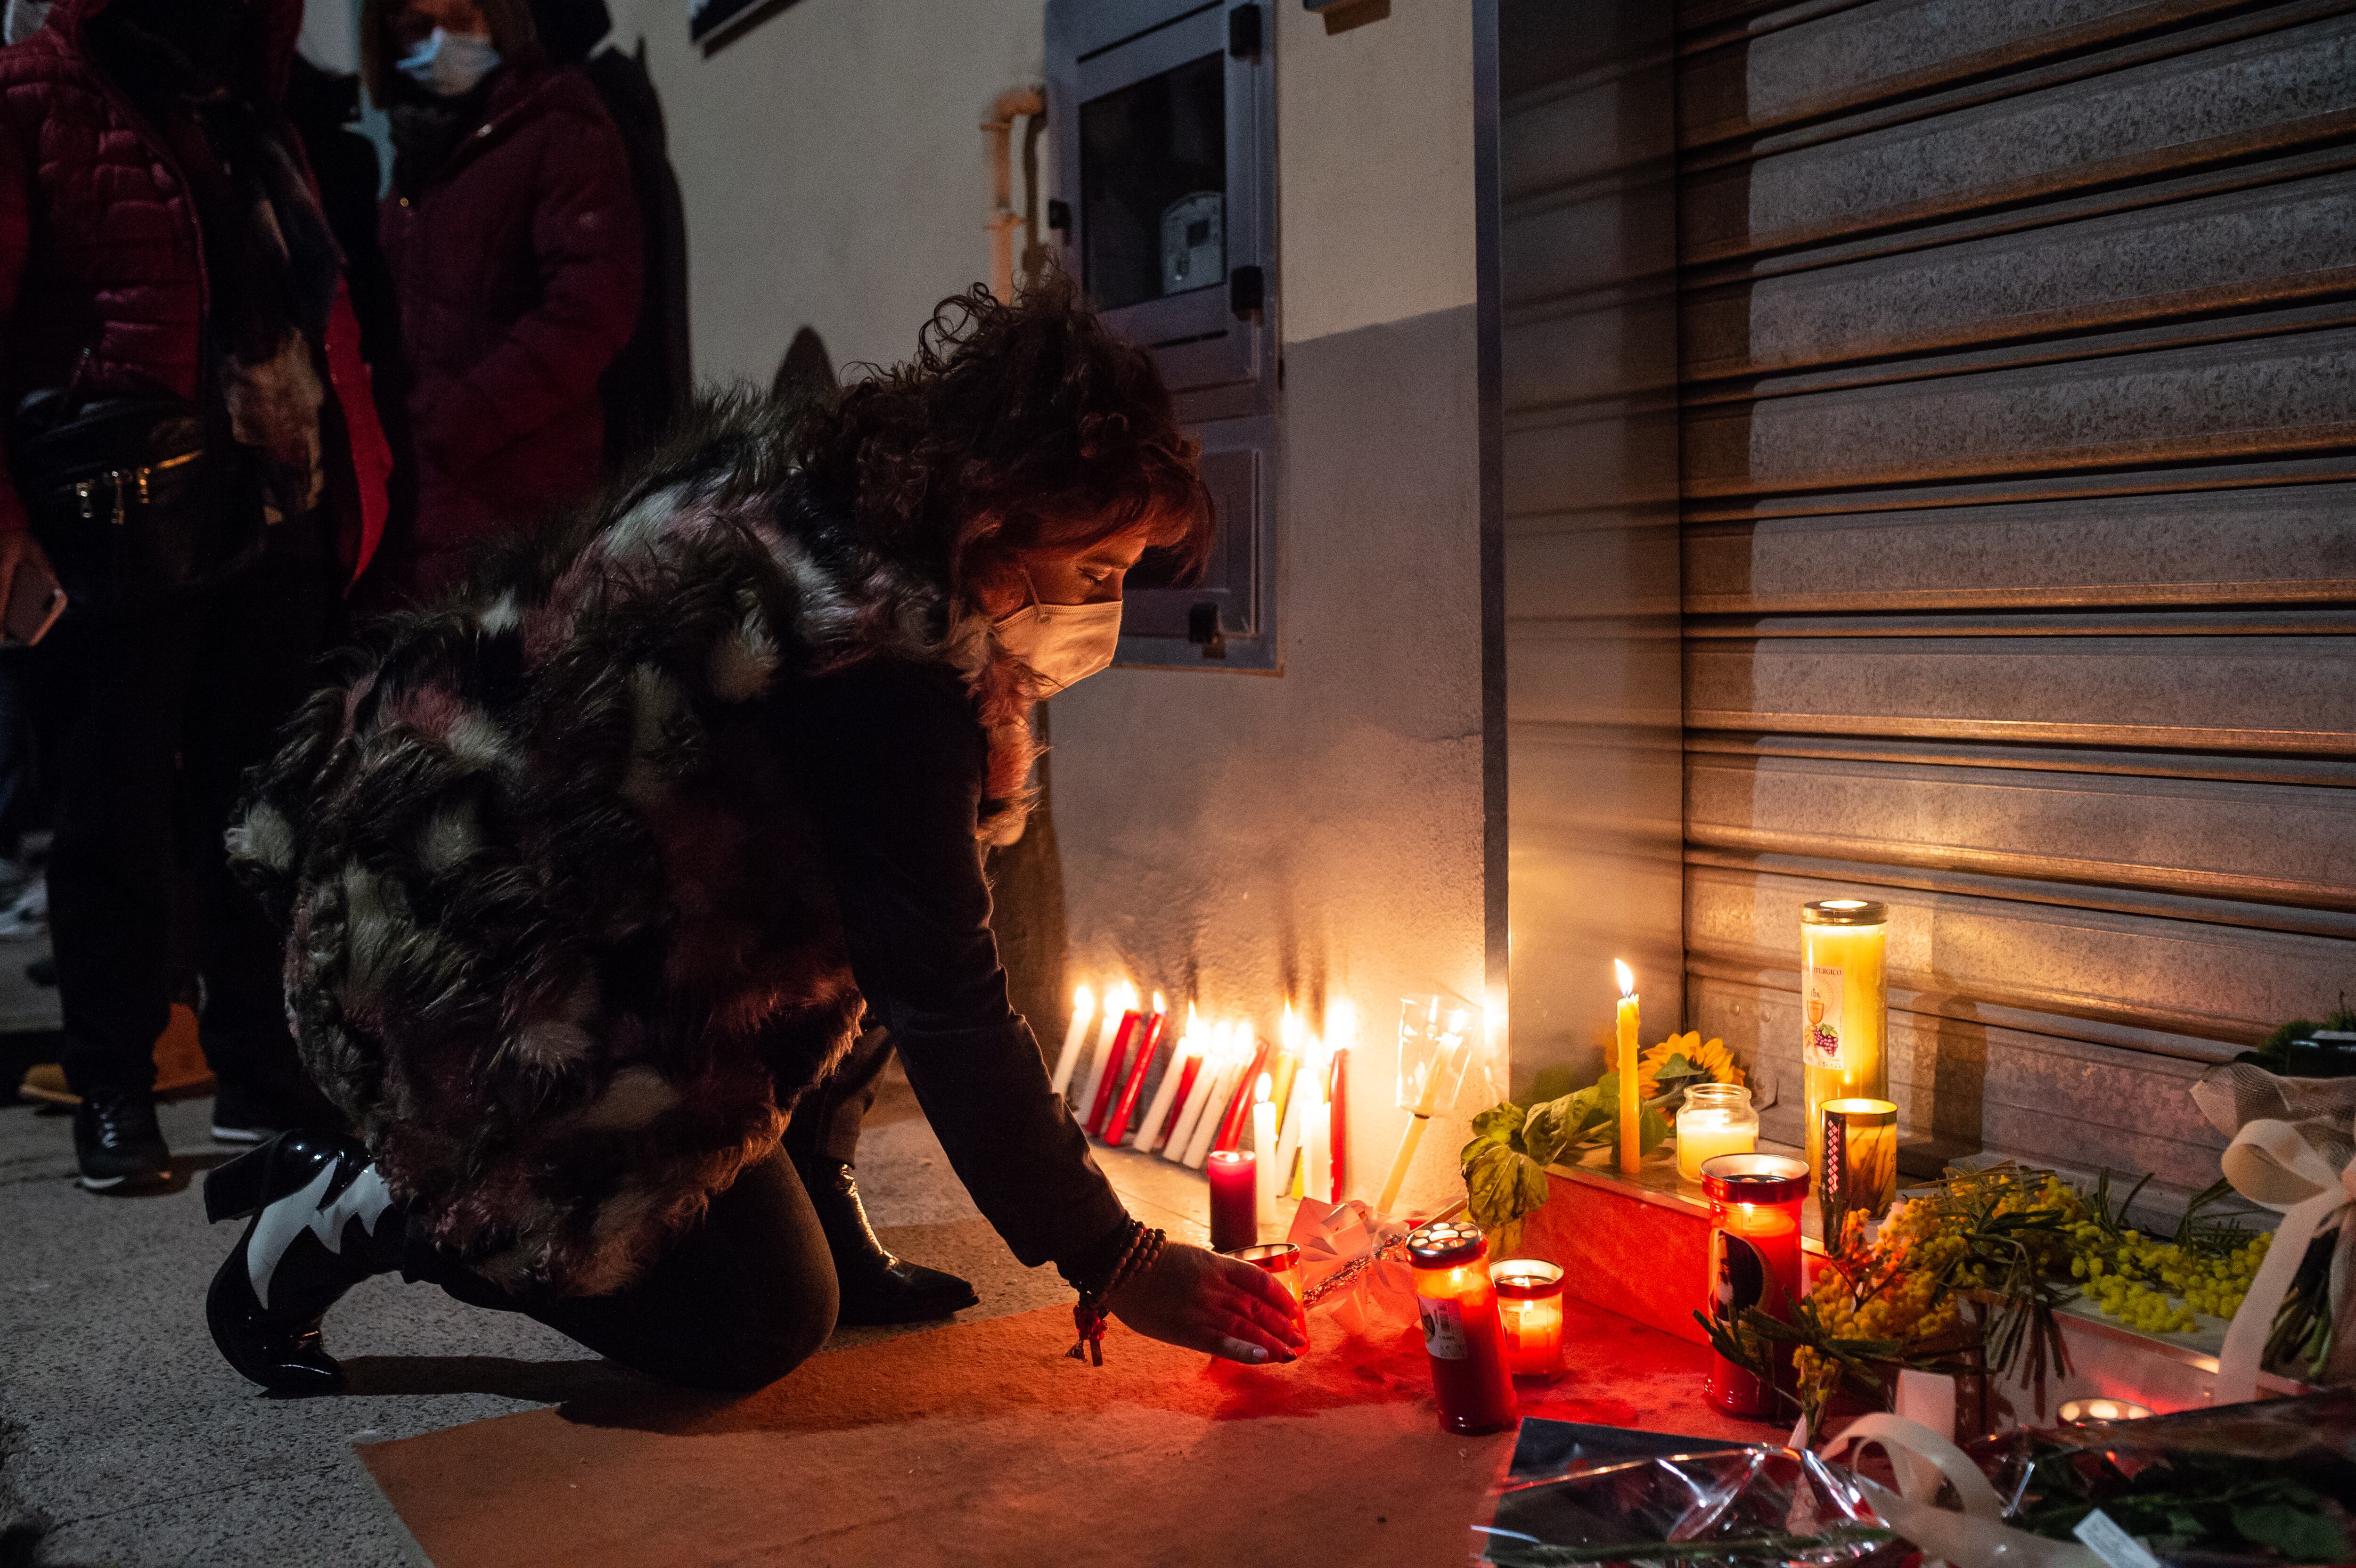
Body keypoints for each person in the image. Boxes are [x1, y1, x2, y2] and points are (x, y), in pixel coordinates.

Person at [202, 278, 1307, 1394]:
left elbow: (848, 920)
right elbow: (942, 992)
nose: (1102, 613)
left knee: (889, 887)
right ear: (991, 519)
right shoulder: (877, 662)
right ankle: (375, 1203)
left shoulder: (845, 509)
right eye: (1097, 573)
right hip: (478, 986)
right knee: (757, 1318)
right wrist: (1117, 1256)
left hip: (568, 913)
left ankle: (818, 1193)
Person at [0, 0, 393, 1188]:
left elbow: (320, 315)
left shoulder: (248, 101)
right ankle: (112, 1087)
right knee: (109, 807)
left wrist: (354, 493)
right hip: (116, 507)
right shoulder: (34, 90)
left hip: (270, 492)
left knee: (259, 805)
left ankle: (259, 1072)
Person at [361, 0, 639, 600]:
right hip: (425, 510)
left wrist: (457, 424)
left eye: (460, 20)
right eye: (414, 27)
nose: (438, 45)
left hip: (522, 507)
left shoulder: (558, 125)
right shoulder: (419, 156)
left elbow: (592, 307)